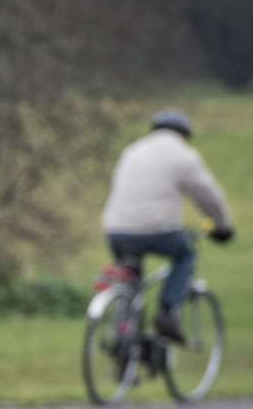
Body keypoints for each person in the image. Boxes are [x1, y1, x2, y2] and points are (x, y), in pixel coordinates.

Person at [101, 108, 235, 343]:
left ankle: (125, 340)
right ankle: (169, 314)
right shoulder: (183, 155)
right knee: (185, 255)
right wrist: (223, 226)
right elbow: (208, 196)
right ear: (184, 134)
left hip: (116, 230)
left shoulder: (132, 151)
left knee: (131, 282)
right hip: (156, 230)